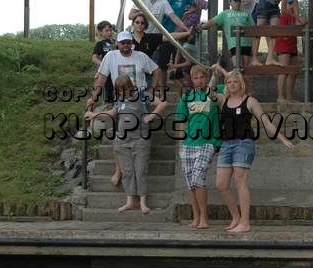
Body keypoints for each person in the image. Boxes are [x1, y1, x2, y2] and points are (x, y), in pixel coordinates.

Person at [208, 67, 293, 233]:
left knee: (240, 181)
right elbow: (208, 93)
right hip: (226, 144)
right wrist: (214, 75)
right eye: (229, 82)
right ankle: (236, 218)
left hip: (243, 143)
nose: (232, 84)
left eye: (235, 82)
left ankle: (245, 223)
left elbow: (266, 122)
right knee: (221, 184)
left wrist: (282, 139)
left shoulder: (250, 101)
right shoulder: (223, 100)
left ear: (241, 84)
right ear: (225, 85)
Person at [87, 31, 164, 187]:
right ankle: (119, 170)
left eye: (128, 42)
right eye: (123, 43)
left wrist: (152, 89)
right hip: (120, 101)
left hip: (140, 100)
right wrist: (94, 98)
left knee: (138, 135)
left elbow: (157, 70)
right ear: (117, 44)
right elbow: (101, 78)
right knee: (118, 137)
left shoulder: (141, 56)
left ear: (132, 43)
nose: (126, 45)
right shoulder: (110, 56)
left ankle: (136, 171)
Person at [85, 75, 168, 214]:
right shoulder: (119, 100)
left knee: (140, 170)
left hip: (140, 139)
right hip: (123, 140)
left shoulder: (142, 95)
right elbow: (111, 114)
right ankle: (129, 201)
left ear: (130, 86)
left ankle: (143, 202)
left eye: (124, 89)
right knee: (127, 171)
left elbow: (162, 103)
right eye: (119, 90)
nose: (122, 92)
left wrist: (150, 117)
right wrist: (94, 115)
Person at [174, 64, 222, 229]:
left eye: (202, 77)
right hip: (188, 144)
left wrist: (218, 71)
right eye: (196, 78)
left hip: (208, 142)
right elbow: (181, 123)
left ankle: (204, 218)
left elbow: (234, 81)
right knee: (190, 184)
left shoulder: (214, 92)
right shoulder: (186, 98)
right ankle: (196, 218)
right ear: (192, 80)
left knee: (197, 179)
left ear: (207, 78)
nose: (199, 80)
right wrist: (181, 145)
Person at [129, 0, 190, 89]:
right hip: (139, 37)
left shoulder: (163, 2)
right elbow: (130, 16)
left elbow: (173, 16)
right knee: (138, 66)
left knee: (155, 66)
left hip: (154, 38)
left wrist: (185, 28)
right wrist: (146, 13)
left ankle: (152, 90)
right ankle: (139, 89)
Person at [252, 0, 313, 66]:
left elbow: (295, 3)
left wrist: (298, 17)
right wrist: (297, 17)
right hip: (264, 3)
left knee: (275, 30)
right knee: (259, 30)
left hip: (274, 5)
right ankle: (254, 58)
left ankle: (270, 58)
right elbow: (284, 9)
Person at [199, 0, 255, 68]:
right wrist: (202, 26)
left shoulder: (246, 13)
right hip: (234, 44)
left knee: (246, 68)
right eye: (236, 1)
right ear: (230, 2)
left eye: (240, 1)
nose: (238, 3)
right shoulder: (225, 13)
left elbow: (253, 27)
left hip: (247, 43)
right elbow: (213, 21)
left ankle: (244, 80)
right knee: (237, 67)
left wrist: (253, 46)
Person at [157, 0, 195, 79]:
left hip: (179, 32)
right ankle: (163, 92)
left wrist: (185, 14)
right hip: (164, 32)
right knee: (162, 65)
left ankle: (183, 94)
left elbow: (196, 6)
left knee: (179, 65)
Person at [274, 0, 304, 103]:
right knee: (284, 71)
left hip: (292, 46)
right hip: (284, 47)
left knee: (293, 72)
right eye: (290, 3)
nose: (292, 6)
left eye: (293, 3)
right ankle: (280, 97)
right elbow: (285, 35)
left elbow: (299, 25)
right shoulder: (282, 17)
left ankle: (289, 97)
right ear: (284, 5)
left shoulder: (293, 17)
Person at [91, 20, 115, 104]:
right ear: (101, 32)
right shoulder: (100, 44)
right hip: (106, 75)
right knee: (107, 95)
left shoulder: (115, 43)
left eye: (110, 30)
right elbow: (94, 57)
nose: (109, 32)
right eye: (106, 30)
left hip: (116, 73)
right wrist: (104, 65)